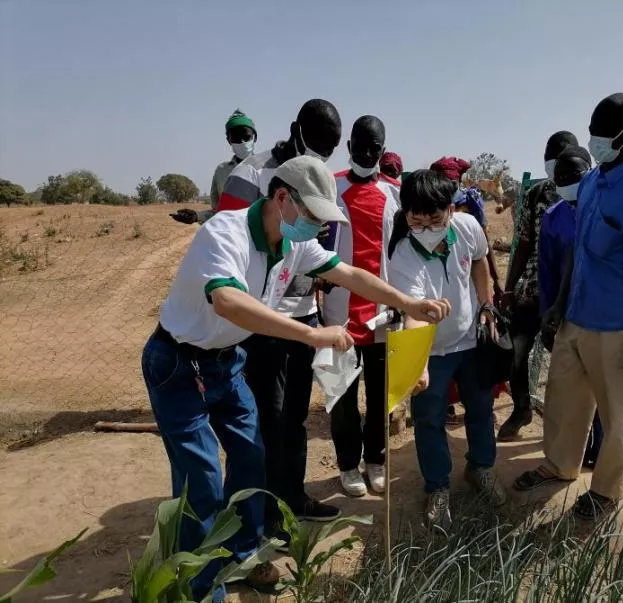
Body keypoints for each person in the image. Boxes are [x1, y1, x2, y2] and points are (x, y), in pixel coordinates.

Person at [142, 156, 450, 600]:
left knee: (252, 458)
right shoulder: (224, 232)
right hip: (178, 363)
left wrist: (407, 302)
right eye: (313, 216)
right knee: (202, 477)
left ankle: (245, 555)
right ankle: (200, 584)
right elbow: (227, 301)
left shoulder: (295, 242)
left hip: (226, 361)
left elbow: (349, 274)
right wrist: (311, 333)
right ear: (282, 198)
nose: (317, 228)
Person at [513, 93, 623, 521]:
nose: (596, 138)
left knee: (615, 412)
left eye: (605, 131)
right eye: (593, 128)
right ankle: (560, 465)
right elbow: (577, 255)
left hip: (617, 324)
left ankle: (605, 492)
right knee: (564, 399)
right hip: (575, 317)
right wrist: (557, 307)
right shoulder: (588, 183)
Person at [218, 100, 344, 539]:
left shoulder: (318, 178)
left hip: (303, 315)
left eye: (331, 148)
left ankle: (293, 497)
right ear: (295, 130)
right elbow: (227, 229)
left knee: (293, 418)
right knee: (266, 420)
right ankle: (263, 514)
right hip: (261, 322)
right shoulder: (251, 173)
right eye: (318, 143)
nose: (322, 155)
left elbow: (326, 255)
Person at [388, 169, 506, 531]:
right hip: (433, 351)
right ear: (405, 214)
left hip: (471, 342)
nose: (424, 227)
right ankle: (437, 488)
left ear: (451, 211)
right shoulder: (403, 256)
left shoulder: (468, 228)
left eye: (434, 218)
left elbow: (480, 264)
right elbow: (416, 315)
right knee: (429, 420)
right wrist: (418, 362)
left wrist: (486, 306)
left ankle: (481, 468)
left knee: (481, 409)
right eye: (415, 219)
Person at [319, 116, 398, 497]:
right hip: (338, 315)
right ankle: (348, 465)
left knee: (380, 395)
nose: (367, 154)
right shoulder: (328, 187)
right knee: (342, 399)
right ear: (348, 147)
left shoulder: (395, 194)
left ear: (383, 150)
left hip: (383, 316)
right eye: (360, 146)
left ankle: (377, 460)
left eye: (375, 148)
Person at [497, 131, 577, 442]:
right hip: (531, 289)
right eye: (551, 156)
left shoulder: (587, 193)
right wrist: (508, 288)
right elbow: (523, 242)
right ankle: (521, 409)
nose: (554, 163)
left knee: (564, 361)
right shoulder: (536, 194)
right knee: (516, 353)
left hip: (567, 291)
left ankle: (565, 429)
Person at [538, 145, 603, 468]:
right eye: (560, 177)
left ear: (589, 172)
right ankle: (568, 457)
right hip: (567, 316)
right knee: (570, 393)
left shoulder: (605, 209)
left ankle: (599, 451)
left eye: (573, 175)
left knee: (604, 391)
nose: (566, 182)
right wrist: (547, 318)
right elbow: (547, 273)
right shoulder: (553, 218)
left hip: (605, 316)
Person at [429, 156, 505, 424]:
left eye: (453, 182)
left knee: (478, 344)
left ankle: (480, 403)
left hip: (472, 286)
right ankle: (448, 405)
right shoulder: (425, 207)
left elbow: (483, 253)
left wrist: (493, 285)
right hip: (441, 291)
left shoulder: (470, 207)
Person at [171, 109, 257, 225]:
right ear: (229, 141)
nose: (241, 142)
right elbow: (218, 213)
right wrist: (196, 216)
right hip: (231, 237)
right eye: (236, 138)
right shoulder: (221, 171)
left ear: (254, 137)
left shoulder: (269, 169)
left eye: (246, 137)